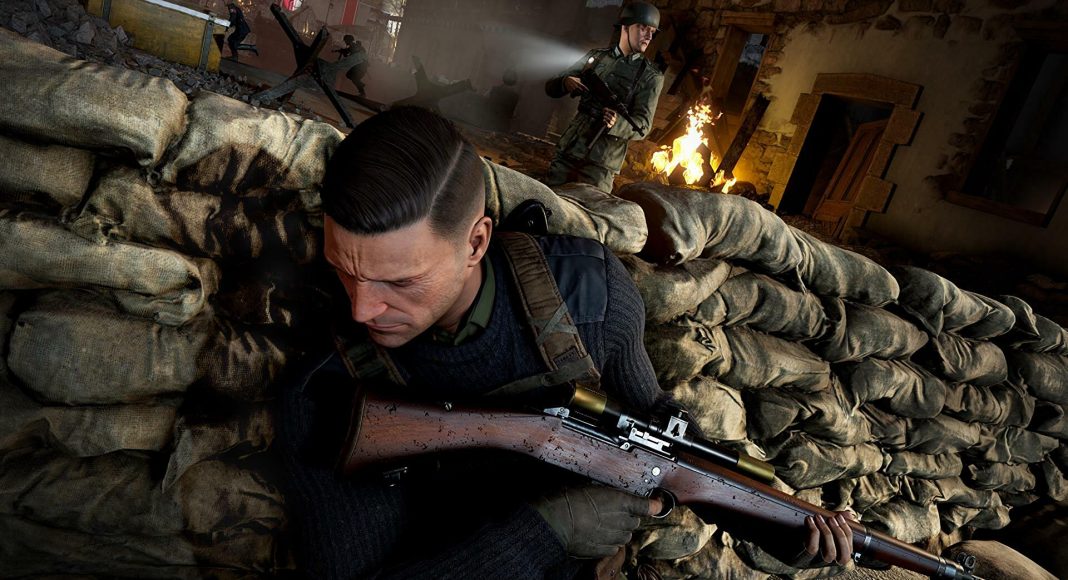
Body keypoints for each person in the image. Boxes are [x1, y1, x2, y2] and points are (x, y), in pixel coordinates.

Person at [275, 106, 855, 578]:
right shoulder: (330, 389)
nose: (362, 308)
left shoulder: (589, 297)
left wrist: (782, 526)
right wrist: (548, 530)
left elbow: (656, 431)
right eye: (343, 270)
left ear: (476, 242)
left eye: (400, 282)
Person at [544, 1, 665, 193]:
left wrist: (617, 123)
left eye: (652, 31)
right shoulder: (597, 57)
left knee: (590, 210)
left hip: (601, 165)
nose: (649, 36)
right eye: (643, 28)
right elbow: (551, 88)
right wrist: (565, 82)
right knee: (547, 202)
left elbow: (643, 126)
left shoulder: (651, 76)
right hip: (570, 149)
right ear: (626, 27)